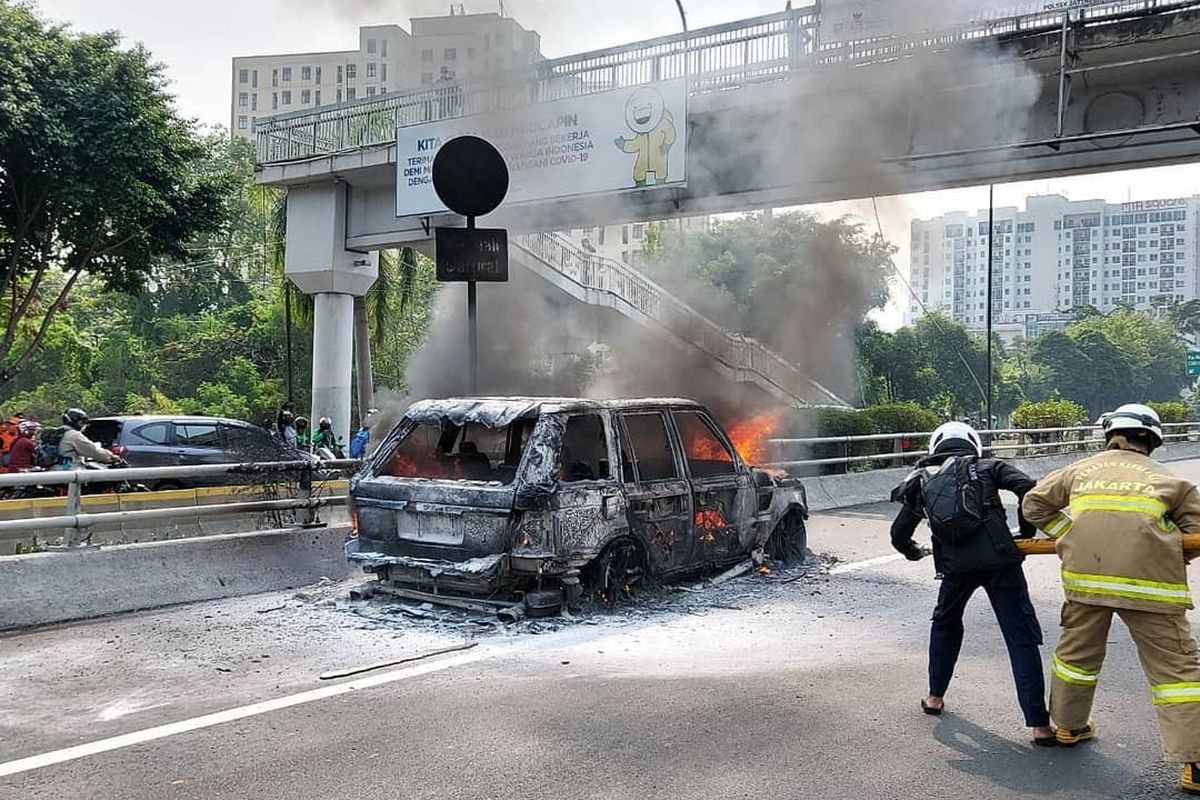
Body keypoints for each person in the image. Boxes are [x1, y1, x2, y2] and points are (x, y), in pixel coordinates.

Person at [1023, 403, 1200, 793]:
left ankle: (1069, 728)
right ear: (1151, 439)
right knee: (1177, 673)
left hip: (1087, 582)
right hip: (1150, 588)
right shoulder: (1170, 479)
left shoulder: (1079, 470)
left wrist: (1069, 533)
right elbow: (1196, 530)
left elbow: (1034, 504)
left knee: (1075, 659)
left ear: (1109, 434)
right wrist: (1167, 551)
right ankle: (1196, 763)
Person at [890, 421, 1054, 745]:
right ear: (973, 444)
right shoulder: (989, 466)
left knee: (945, 625)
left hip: (955, 569)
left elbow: (898, 535)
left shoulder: (923, 478)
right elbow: (1030, 491)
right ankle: (1039, 725)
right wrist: (1026, 532)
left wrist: (913, 553)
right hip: (1000, 562)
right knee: (1020, 637)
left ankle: (935, 697)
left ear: (936, 446)